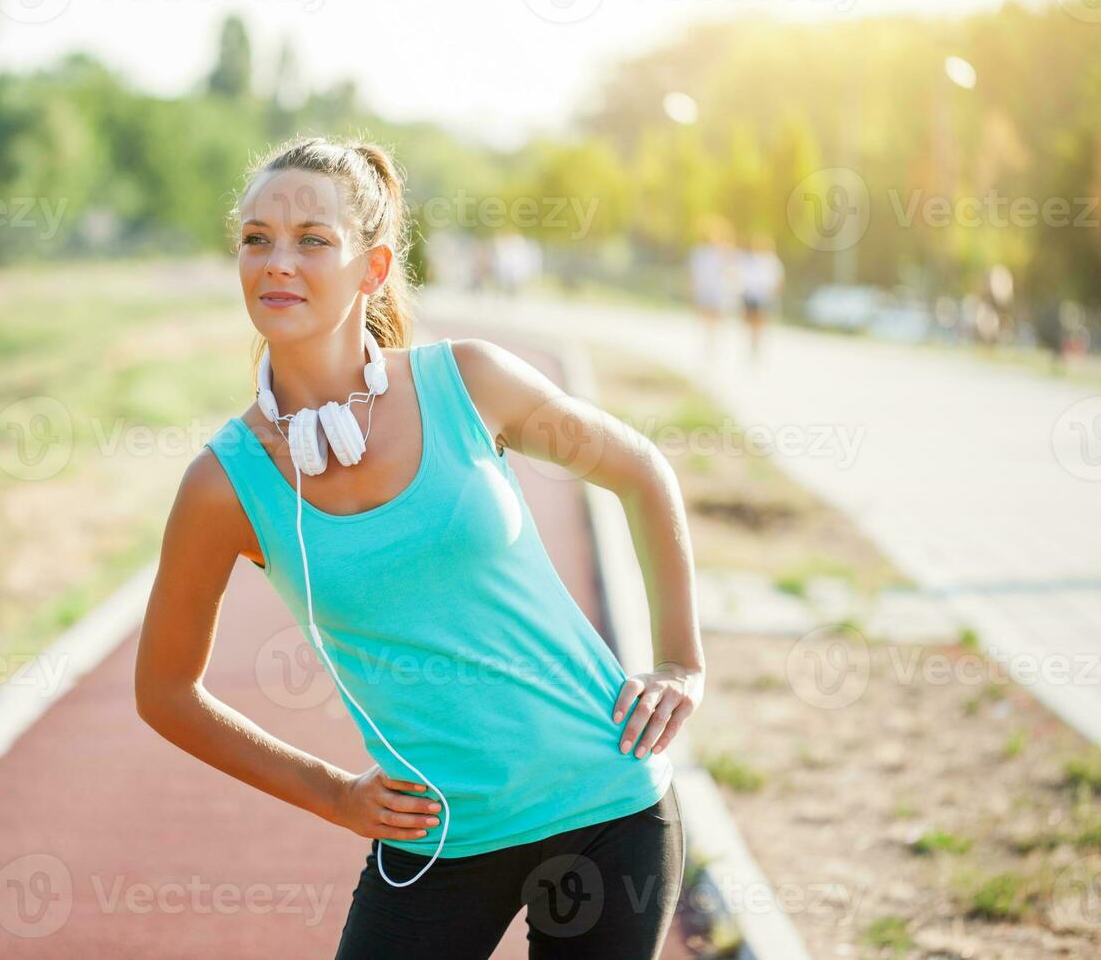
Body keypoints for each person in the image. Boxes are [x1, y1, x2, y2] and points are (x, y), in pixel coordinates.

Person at [134, 135, 706, 959]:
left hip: (603, 807)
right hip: (433, 844)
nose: (276, 263)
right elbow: (164, 690)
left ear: (371, 270)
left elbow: (642, 471)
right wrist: (332, 793)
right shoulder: (225, 484)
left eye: (312, 240)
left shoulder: (470, 382)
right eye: (256, 239)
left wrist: (681, 662)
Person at [687, 216, 738, 367]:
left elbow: (733, 274)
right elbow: (693, 274)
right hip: (704, 292)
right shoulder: (699, 252)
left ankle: (714, 348)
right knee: (706, 322)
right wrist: (691, 291)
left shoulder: (727, 253)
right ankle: (709, 348)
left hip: (719, 294)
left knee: (716, 321)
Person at [739, 234, 784, 365]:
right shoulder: (750, 261)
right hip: (751, 297)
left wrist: (772, 294)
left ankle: (758, 347)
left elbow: (778, 282)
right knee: (751, 325)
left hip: (765, 298)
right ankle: (752, 346)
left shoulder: (773, 262)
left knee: (761, 324)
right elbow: (744, 279)